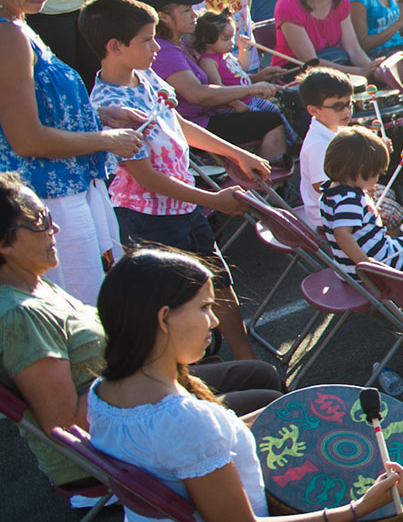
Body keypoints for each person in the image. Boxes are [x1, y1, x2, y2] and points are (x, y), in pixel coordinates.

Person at [90, 248, 403, 522]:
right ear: (164, 318)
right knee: (350, 484)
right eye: (204, 308)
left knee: (321, 450)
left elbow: (188, 450)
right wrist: (356, 509)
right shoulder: (187, 422)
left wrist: (276, 414)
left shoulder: (104, 393)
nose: (213, 321)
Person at [0, 173, 283, 489]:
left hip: (137, 396)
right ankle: (281, 491)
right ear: (4, 242)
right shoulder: (20, 315)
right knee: (273, 406)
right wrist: (148, 372)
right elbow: (64, 423)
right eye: (40, 221)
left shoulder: (36, 286)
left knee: (261, 374)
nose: (54, 228)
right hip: (113, 442)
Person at [79, 0, 265, 360]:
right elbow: (146, 177)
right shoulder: (106, 103)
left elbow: (176, 124)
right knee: (177, 304)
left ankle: (248, 361)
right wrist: (212, 200)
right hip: (150, 219)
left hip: (185, 208)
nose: (155, 46)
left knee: (217, 285)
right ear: (114, 46)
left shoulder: (146, 76)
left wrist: (236, 153)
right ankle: (196, 372)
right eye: (147, 40)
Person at [136, 0, 282, 148]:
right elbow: (197, 95)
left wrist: (256, 79)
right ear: (164, 17)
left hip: (206, 117)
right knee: (271, 121)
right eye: (186, 10)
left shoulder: (181, 45)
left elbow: (213, 83)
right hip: (193, 127)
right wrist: (249, 89)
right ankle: (265, 171)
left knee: (267, 113)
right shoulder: (164, 52)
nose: (194, 15)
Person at [318, 127, 403, 275]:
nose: (377, 178)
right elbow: (342, 233)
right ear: (361, 170)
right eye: (376, 173)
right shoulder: (350, 199)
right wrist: (366, 263)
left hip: (345, 267)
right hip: (376, 263)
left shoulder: (329, 193)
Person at [296, 69, 354, 225]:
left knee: (387, 196)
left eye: (349, 103)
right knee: (389, 214)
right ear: (314, 111)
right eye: (338, 106)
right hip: (329, 215)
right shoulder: (319, 145)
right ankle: (381, 248)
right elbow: (322, 186)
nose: (346, 111)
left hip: (341, 205)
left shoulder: (335, 129)